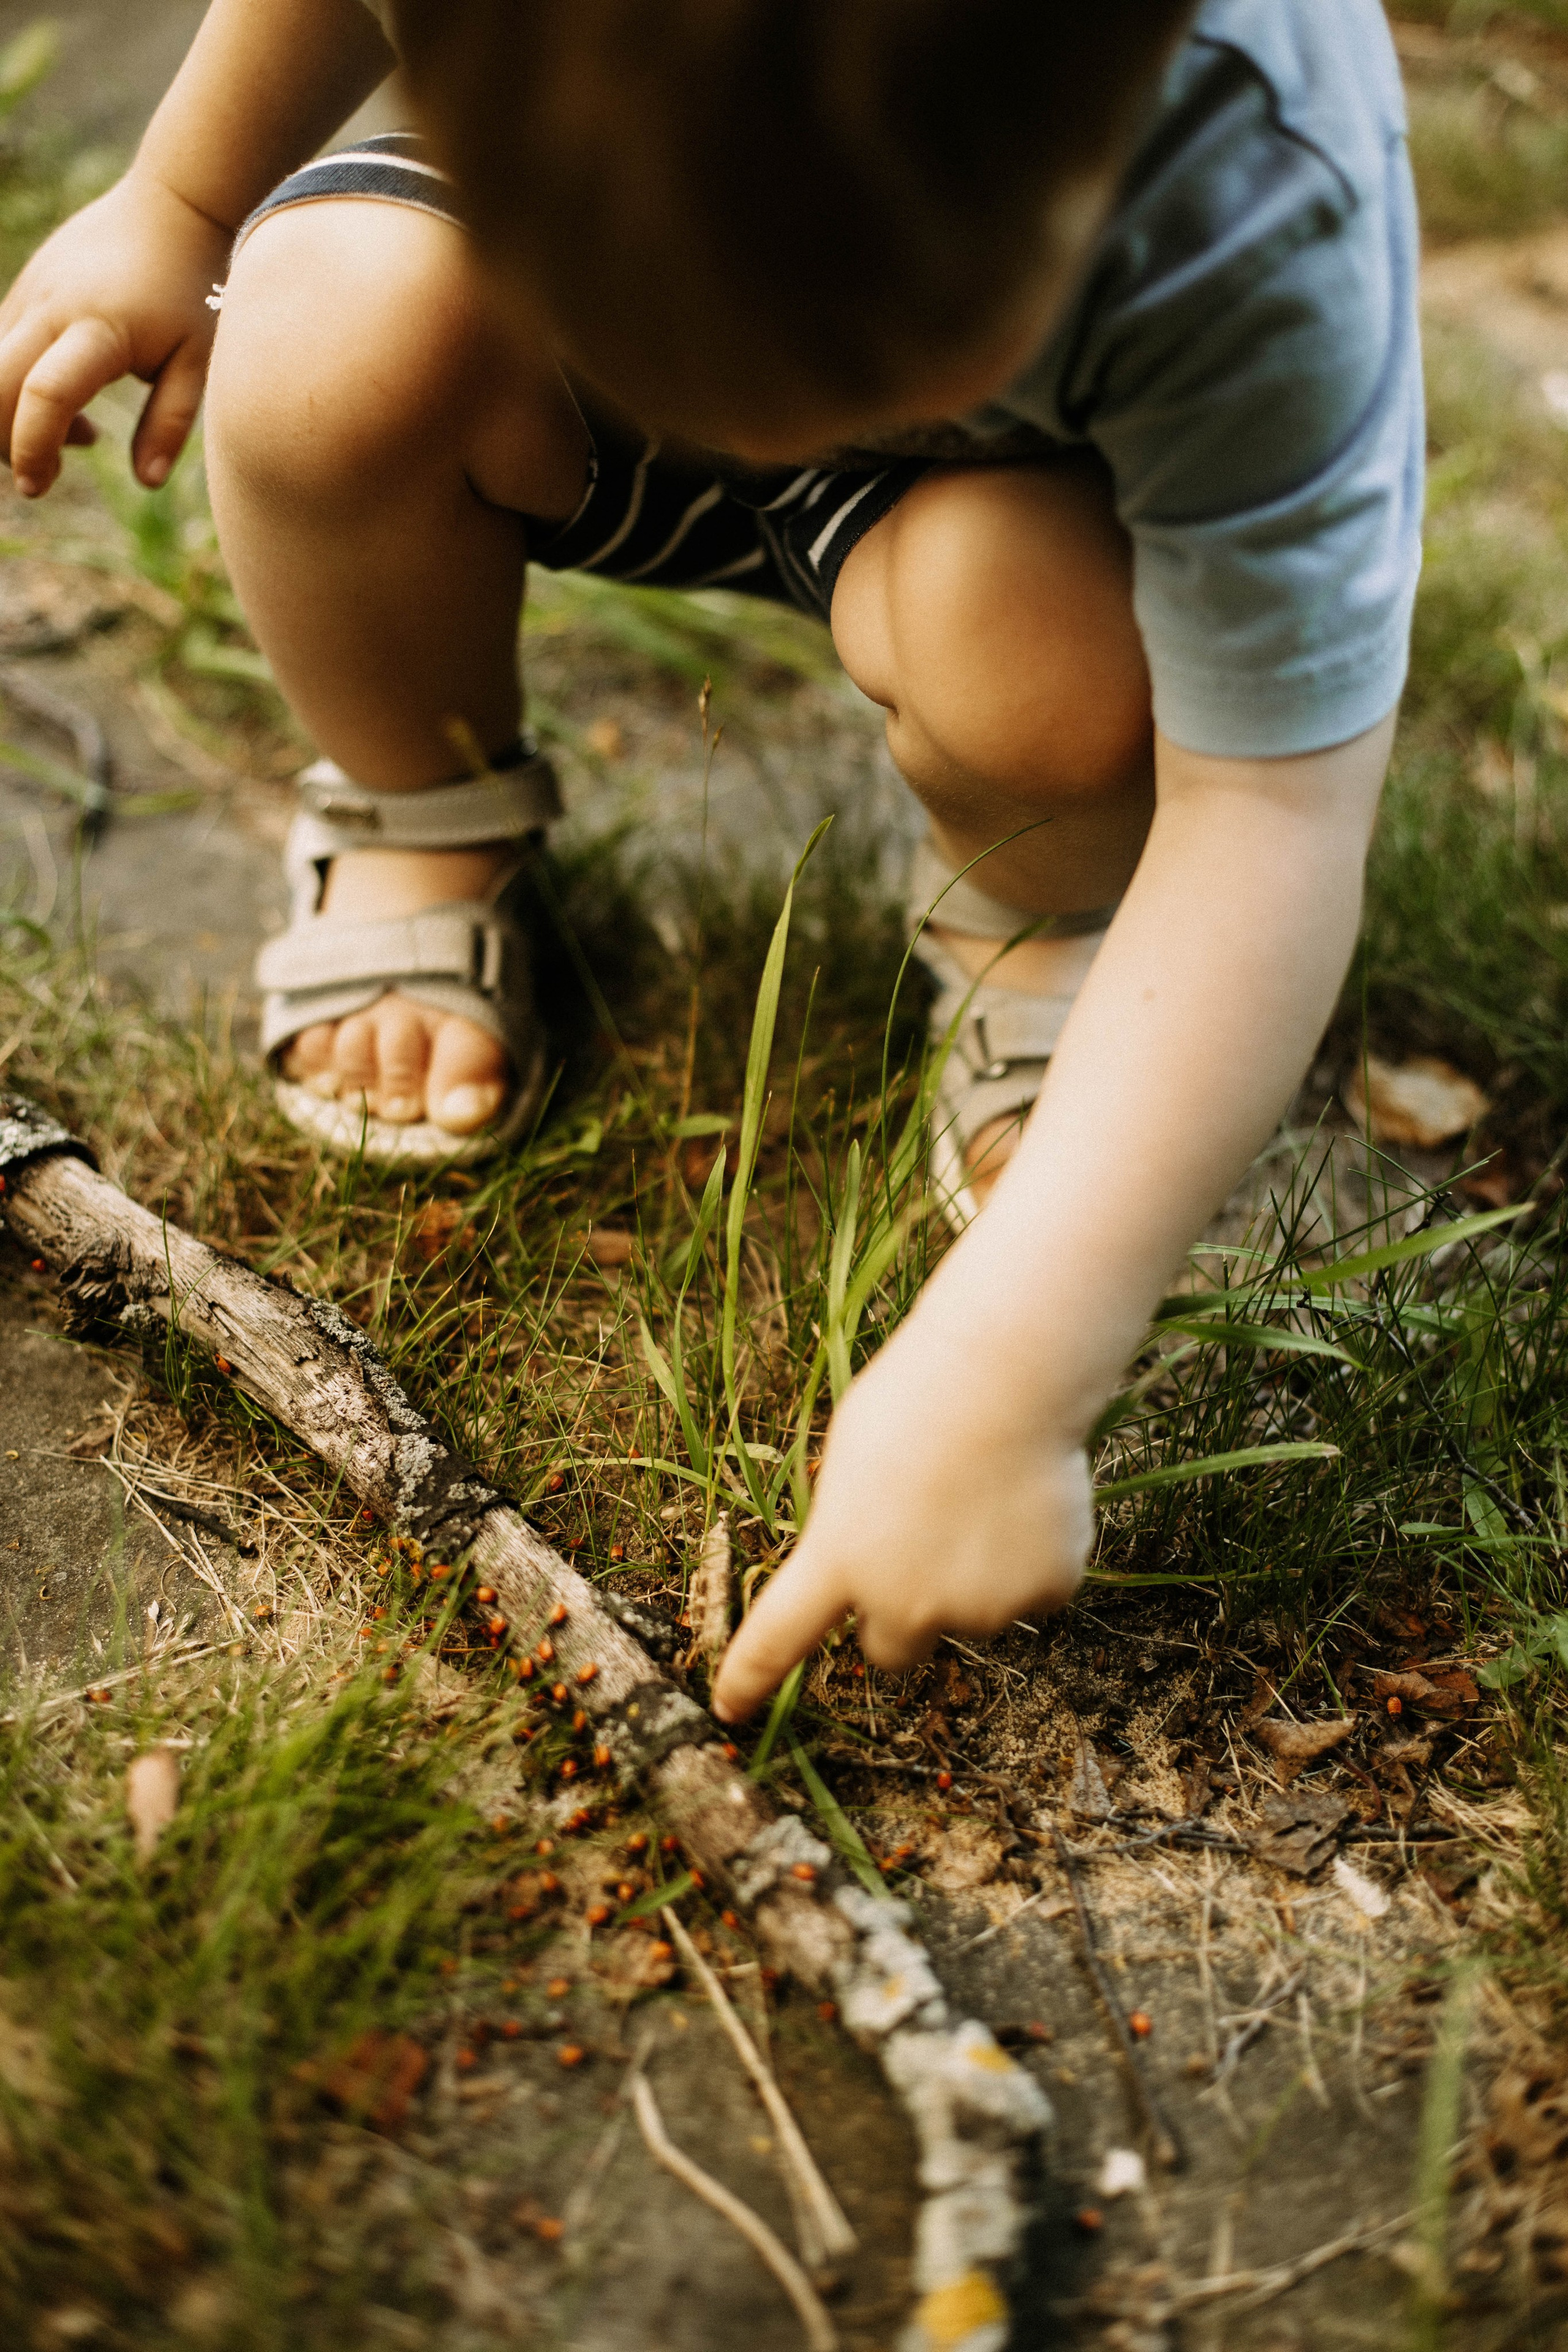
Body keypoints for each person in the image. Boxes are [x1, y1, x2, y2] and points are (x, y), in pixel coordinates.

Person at [0, 0, 1423, 1718]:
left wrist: (1020, 1360)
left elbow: (1267, 810)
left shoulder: (1255, 186)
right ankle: (415, 805)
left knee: (1054, 657)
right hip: (572, 282)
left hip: (990, 491)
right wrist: (183, 194)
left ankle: (1041, 920)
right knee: (322, 331)